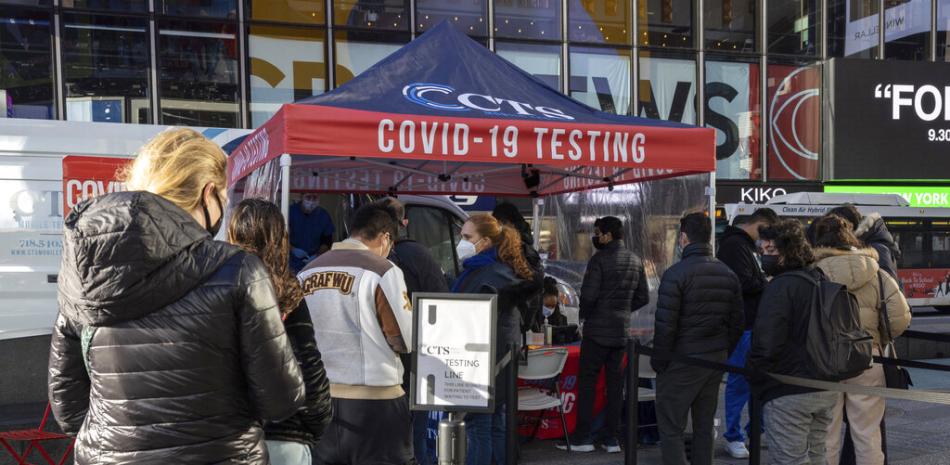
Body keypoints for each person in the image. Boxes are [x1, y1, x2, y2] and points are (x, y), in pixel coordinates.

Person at [48, 128, 305, 464]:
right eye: (224, 198)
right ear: (207, 193)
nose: (225, 208)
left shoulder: (85, 271)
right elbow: (280, 400)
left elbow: (68, 407)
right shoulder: (238, 270)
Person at [299, 203, 415, 465]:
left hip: (320, 397)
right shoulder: (383, 270)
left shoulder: (307, 271)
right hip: (375, 401)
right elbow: (403, 339)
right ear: (385, 238)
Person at [228, 199, 333, 465]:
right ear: (280, 239)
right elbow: (309, 368)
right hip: (286, 438)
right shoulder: (288, 294)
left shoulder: (216, 290)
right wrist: (314, 425)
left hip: (231, 436)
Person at [811, 216, 912, 465]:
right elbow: (899, 319)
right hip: (868, 356)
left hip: (824, 360)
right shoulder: (877, 274)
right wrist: (877, 339)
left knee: (826, 433)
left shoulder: (812, 274)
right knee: (868, 433)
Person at [652, 212, 744, 465]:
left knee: (671, 426)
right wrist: (724, 350)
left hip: (681, 359)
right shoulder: (727, 273)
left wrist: (660, 361)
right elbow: (737, 321)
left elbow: (665, 326)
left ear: (683, 238)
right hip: (714, 359)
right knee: (704, 425)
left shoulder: (675, 274)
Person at [746, 219, 840, 465]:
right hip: (825, 384)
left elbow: (767, 341)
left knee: (791, 459)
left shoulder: (781, 286)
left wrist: (755, 372)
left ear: (788, 252)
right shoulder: (819, 277)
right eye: (763, 250)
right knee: (818, 454)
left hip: (788, 387)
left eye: (771, 251)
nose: (765, 256)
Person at [452, 214, 539, 465]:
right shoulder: (496, 270)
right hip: (495, 359)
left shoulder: (487, 273)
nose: (462, 242)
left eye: (468, 237)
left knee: (479, 427)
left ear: (486, 241)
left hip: (483, 361)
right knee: (495, 424)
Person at [557, 216, 649, 453]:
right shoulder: (634, 259)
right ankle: (611, 439)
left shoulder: (599, 260)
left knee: (587, 384)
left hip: (597, 332)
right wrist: (622, 310)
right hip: (621, 333)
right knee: (616, 387)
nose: (595, 236)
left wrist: (586, 316)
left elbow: (588, 296)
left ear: (607, 235)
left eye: (597, 232)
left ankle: (583, 437)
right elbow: (643, 296)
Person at [376, 197, 449, 465]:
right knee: (415, 414)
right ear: (403, 222)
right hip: (418, 345)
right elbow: (441, 297)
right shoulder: (417, 253)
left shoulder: (375, 255)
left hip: (387, 349)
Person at [716, 207, 778, 459]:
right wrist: (767, 283)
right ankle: (733, 435)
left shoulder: (742, 245)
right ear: (760, 224)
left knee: (754, 381)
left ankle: (750, 431)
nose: (766, 243)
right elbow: (742, 283)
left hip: (752, 324)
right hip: (744, 325)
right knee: (739, 381)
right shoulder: (734, 245)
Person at [492, 202, 545, 332]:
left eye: (498, 224)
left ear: (508, 223)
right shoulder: (520, 247)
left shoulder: (520, 249)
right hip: (511, 322)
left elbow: (533, 289)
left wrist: (522, 323)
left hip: (512, 323)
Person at [828, 205, 901, 279]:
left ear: (849, 226)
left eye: (837, 227)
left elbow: (887, 285)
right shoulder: (864, 243)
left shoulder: (878, 249)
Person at [288, 193, 335, 271]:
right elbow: (281, 236)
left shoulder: (323, 215)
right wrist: (292, 249)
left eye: (314, 197)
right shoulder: (290, 212)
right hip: (291, 261)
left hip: (314, 263)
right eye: (308, 197)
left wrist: (317, 256)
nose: (311, 201)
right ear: (301, 197)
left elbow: (327, 240)